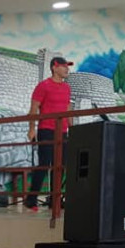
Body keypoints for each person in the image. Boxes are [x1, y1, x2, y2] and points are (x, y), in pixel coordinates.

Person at [26, 56, 73, 210]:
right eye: (64, 66)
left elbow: (68, 109)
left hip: (63, 131)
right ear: (54, 67)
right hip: (46, 129)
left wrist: (72, 128)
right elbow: (34, 108)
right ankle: (31, 199)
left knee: (60, 167)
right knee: (44, 165)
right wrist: (31, 128)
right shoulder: (43, 86)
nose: (67, 69)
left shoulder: (67, 88)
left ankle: (55, 200)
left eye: (67, 66)